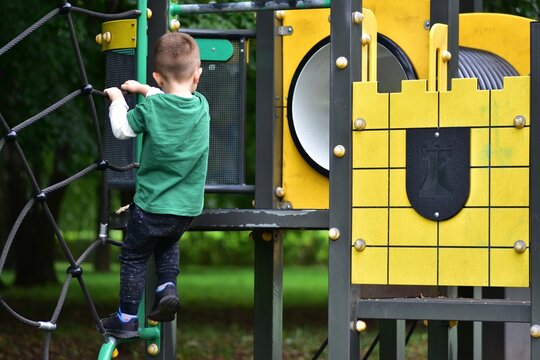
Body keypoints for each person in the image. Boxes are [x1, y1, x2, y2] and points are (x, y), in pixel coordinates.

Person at [102, 32, 210, 339]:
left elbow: (122, 129)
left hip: (150, 207)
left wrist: (120, 99)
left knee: (134, 256)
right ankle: (166, 287)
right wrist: (145, 90)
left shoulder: (150, 110)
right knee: (167, 241)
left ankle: (125, 318)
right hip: (186, 210)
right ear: (197, 76)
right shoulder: (202, 107)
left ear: (158, 77)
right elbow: (172, 101)